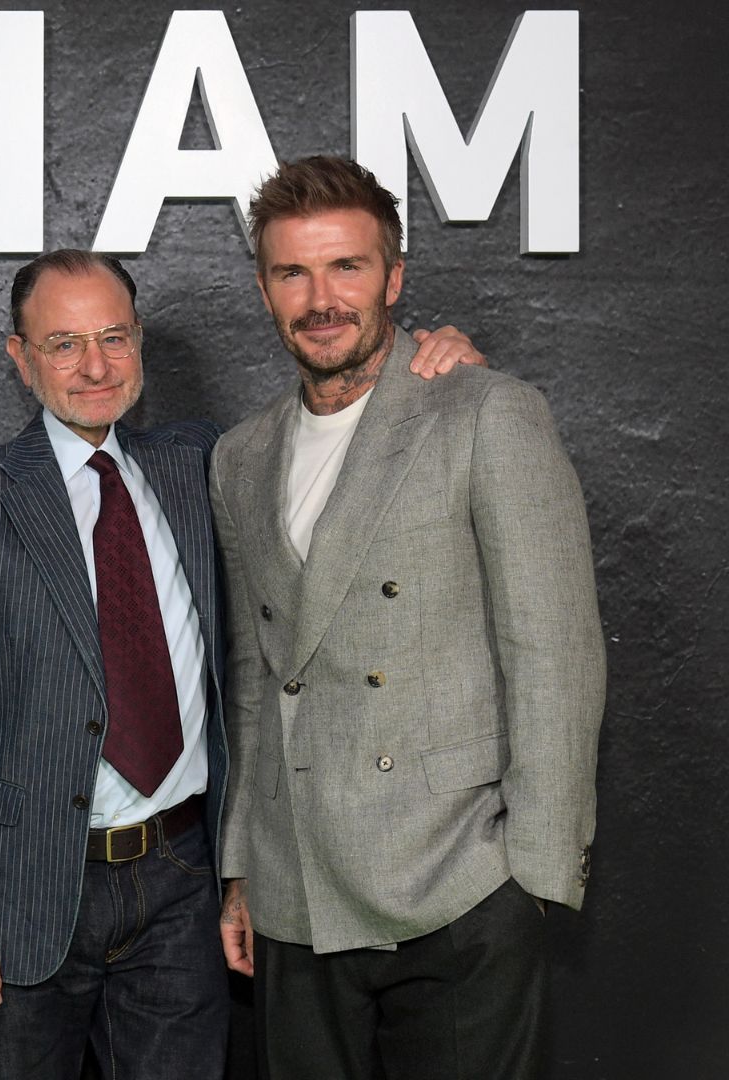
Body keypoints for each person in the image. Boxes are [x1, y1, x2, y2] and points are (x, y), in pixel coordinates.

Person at [0, 248, 481, 1079]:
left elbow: (332, 437)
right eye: (63, 344)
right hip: (26, 888)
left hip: (180, 881)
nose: (94, 366)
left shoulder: (202, 462)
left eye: (114, 337)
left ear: (139, 343)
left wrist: (432, 365)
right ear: (20, 358)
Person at [211, 156, 604, 1080]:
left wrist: (531, 884)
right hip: (297, 887)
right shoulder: (239, 455)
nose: (321, 299)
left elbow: (555, 656)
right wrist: (243, 867)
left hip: (457, 885)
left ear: (394, 276)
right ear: (264, 288)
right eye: (292, 273)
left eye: (346, 267)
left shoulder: (483, 413)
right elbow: (261, 678)